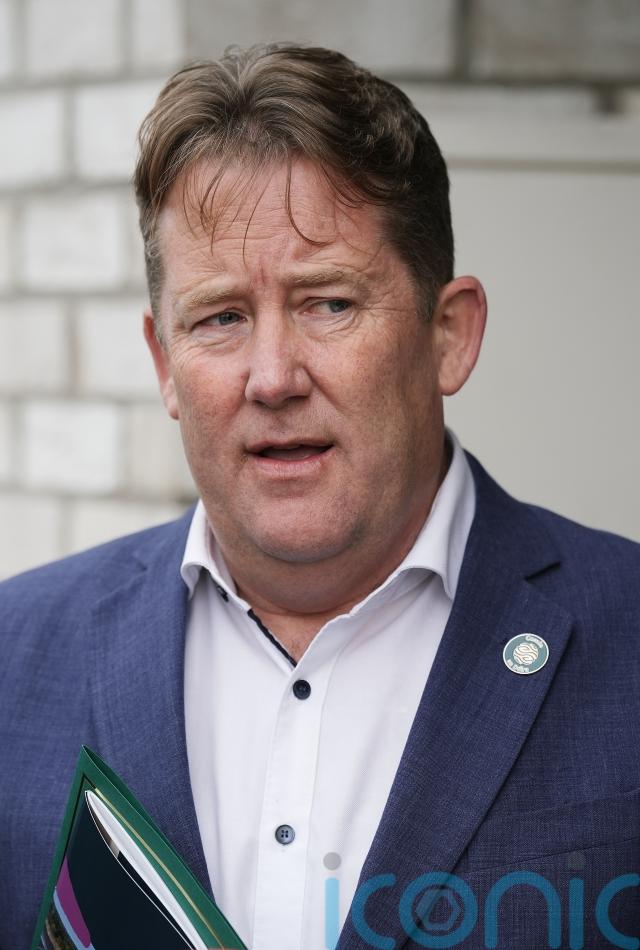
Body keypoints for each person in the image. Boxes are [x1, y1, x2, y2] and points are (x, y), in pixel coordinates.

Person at [1, 43, 639, 950]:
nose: (272, 377)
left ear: (449, 335)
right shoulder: (15, 657)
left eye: (328, 304)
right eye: (221, 317)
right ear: (164, 364)